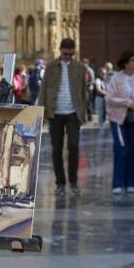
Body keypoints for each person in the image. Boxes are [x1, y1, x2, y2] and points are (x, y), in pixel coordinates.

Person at [38, 38, 87, 197]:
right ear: (60, 51)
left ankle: (73, 181)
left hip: (73, 113)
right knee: (56, 149)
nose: (67, 57)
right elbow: (43, 89)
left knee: (73, 146)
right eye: (65, 54)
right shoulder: (51, 66)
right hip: (55, 113)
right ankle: (60, 183)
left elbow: (83, 91)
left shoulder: (79, 67)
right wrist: (41, 111)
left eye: (71, 54)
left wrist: (84, 113)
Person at [106, 51, 134, 195]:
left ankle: (130, 182)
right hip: (118, 118)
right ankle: (117, 183)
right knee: (121, 148)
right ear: (126, 63)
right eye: (133, 60)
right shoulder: (116, 78)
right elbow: (110, 97)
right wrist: (128, 103)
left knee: (132, 149)